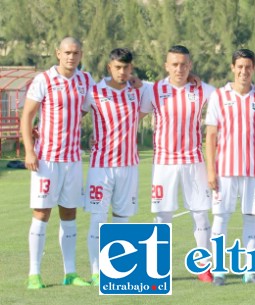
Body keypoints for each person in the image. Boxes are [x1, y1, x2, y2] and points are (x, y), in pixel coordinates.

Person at [21, 37, 92, 289]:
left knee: (69, 213)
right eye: (67, 52)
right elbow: (27, 116)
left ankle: (70, 273)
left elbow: (89, 105)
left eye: (75, 53)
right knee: (42, 213)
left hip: (72, 159)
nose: (71, 57)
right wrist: (30, 151)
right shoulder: (44, 80)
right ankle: (34, 274)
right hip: (46, 160)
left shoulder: (85, 80)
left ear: (80, 54)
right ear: (57, 54)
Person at [140, 45, 215, 283]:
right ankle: (159, 269)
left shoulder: (202, 90)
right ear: (166, 66)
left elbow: (230, 97)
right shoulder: (153, 90)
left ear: (190, 66)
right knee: (162, 216)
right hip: (164, 164)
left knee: (201, 215)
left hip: (194, 162)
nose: (179, 69)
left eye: (184, 64)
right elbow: (131, 116)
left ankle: (204, 267)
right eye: (174, 64)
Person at [205, 48, 255, 286]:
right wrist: (211, 171)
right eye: (240, 67)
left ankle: (249, 271)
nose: (244, 71)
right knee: (221, 218)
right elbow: (211, 135)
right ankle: (219, 271)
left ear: (253, 68)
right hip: (224, 170)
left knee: (251, 218)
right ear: (232, 68)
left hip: (252, 170)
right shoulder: (219, 96)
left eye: (248, 67)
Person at [83, 48, 146, 286]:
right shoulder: (94, 92)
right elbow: (72, 117)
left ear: (131, 68)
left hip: (129, 166)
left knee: (122, 218)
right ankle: (96, 270)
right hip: (101, 167)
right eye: (118, 67)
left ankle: (116, 269)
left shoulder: (138, 91)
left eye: (126, 67)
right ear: (110, 67)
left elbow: (165, 88)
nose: (122, 71)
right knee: (98, 218)